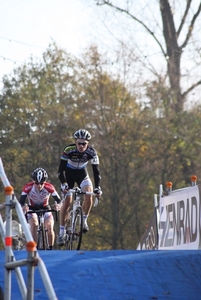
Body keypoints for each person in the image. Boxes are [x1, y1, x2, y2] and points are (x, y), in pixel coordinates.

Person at [57, 129, 102, 246]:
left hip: (82, 175)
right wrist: (64, 184)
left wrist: (98, 188)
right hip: (69, 176)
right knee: (67, 201)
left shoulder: (92, 152)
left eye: (84, 144)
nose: (81, 146)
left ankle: (84, 220)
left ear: (88, 144)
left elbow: (97, 172)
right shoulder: (68, 150)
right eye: (79, 143)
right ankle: (61, 233)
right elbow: (60, 171)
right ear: (75, 142)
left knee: (89, 194)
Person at [19, 167, 61, 250]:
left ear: (45, 182)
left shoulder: (49, 187)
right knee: (34, 225)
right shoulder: (27, 187)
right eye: (37, 183)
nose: (39, 185)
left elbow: (59, 201)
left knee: (49, 227)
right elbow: (21, 202)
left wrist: (57, 206)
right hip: (32, 209)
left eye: (42, 183)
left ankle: (50, 248)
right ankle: (35, 248)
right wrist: (24, 206)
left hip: (46, 208)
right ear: (33, 181)